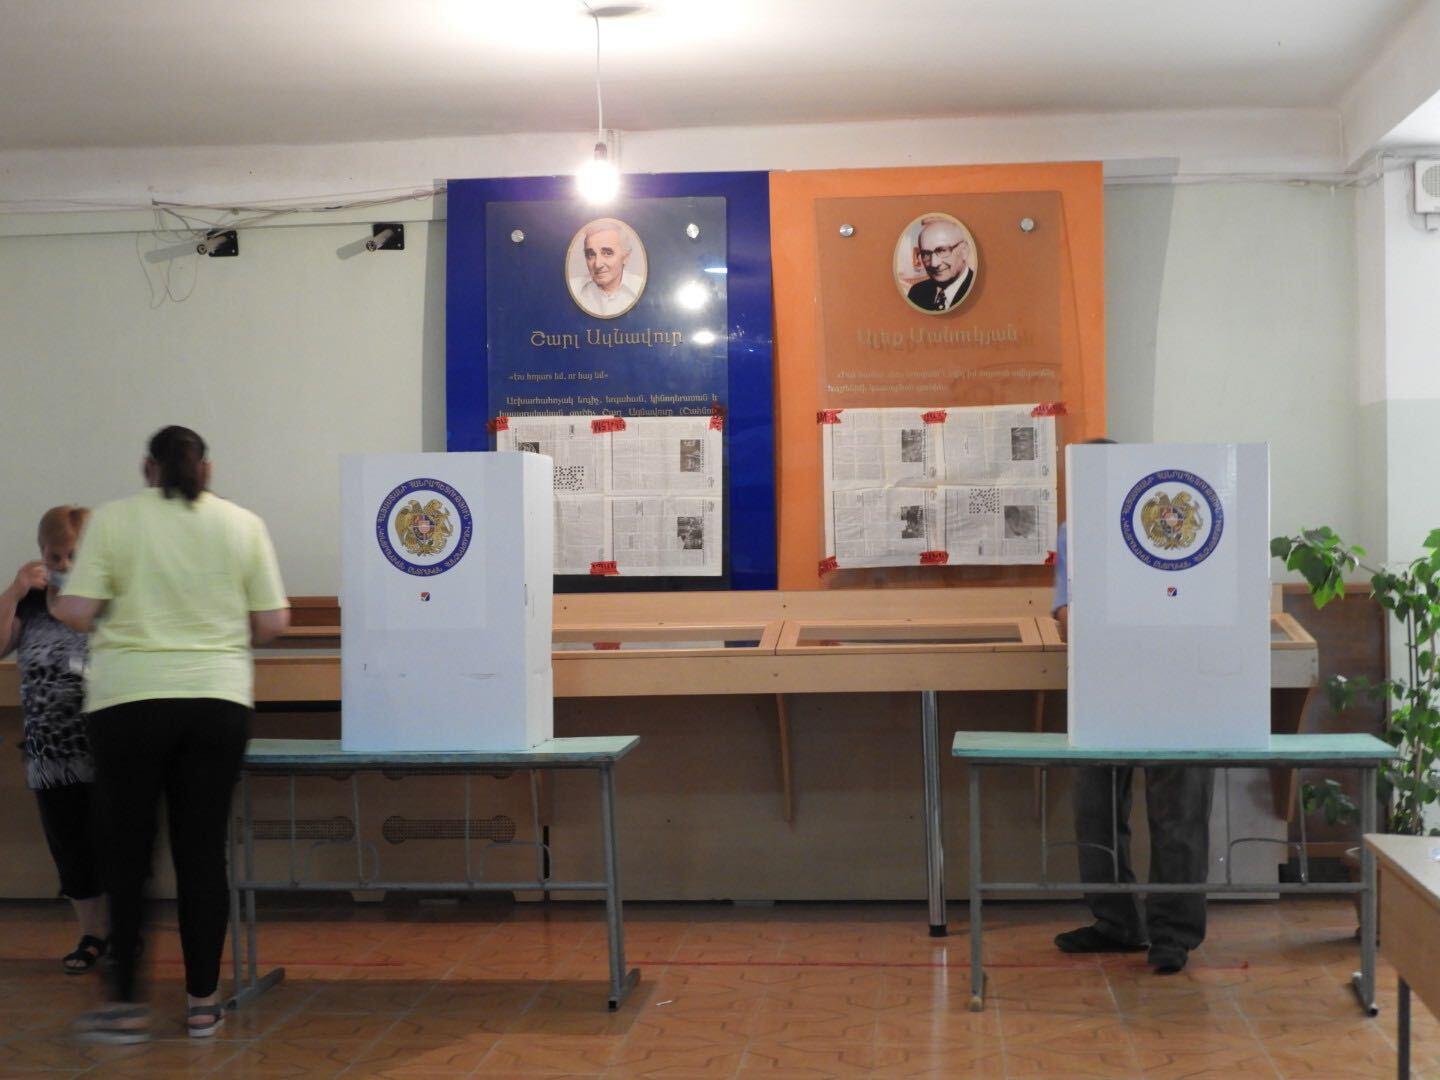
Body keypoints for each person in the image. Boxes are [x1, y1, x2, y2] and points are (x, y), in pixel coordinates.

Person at [55, 426, 290, 1042]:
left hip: (128, 702)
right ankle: (203, 1004)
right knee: (201, 852)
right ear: (205, 469)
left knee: (128, 856)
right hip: (216, 701)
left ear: (146, 468)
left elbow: (77, 612)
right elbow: (273, 622)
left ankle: (126, 1006)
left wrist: (66, 603)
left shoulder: (112, 520)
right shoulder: (244, 525)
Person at [1051, 438, 1214, 974]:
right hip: (1105, 686)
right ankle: (1116, 923)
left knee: (1179, 814)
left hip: (1180, 684)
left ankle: (1174, 934)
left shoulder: (1176, 527)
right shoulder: (1075, 534)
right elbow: (1068, 617)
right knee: (1095, 810)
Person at [0, 506, 109, 974]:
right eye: (55, 556)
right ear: (41, 555)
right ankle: (91, 935)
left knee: (113, 844)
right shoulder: (28, 603)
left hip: (103, 746)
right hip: (49, 750)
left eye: (74, 556)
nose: (64, 565)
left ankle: (122, 934)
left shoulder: (108, 598)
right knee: (70, 847)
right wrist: (14, 590)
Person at [570, 219, 644, 318]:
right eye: (591, 254)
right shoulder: (573, 289)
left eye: (607, 253)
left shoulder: (641, 288)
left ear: (625, 258)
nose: (597, 264)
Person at [906, 217, 975, 312]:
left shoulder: (977, 290)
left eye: (942, 250)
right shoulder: (917, 292)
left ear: (964, 251)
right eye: (926, 254)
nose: (934, 263)